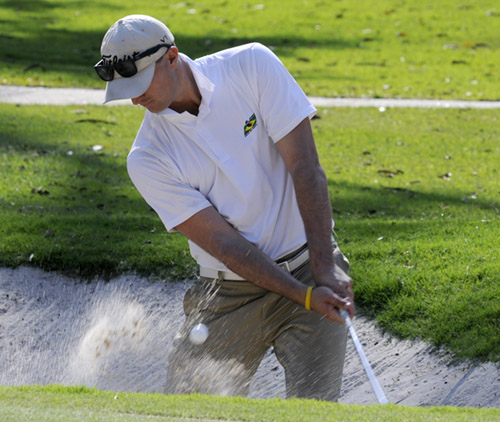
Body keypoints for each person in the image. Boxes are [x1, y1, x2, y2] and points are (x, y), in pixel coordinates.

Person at [95, 15, 355, 401]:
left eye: (140, 84)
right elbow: (226, 245)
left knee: (316, 410)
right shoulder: (147, 158)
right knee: (186, 409)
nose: (135, 99)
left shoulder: (252, 65)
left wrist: (323, 266)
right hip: (226, 296)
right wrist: (301, 295)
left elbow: (305, 167)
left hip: (310, 265)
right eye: (125, 91)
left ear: (171, 57)